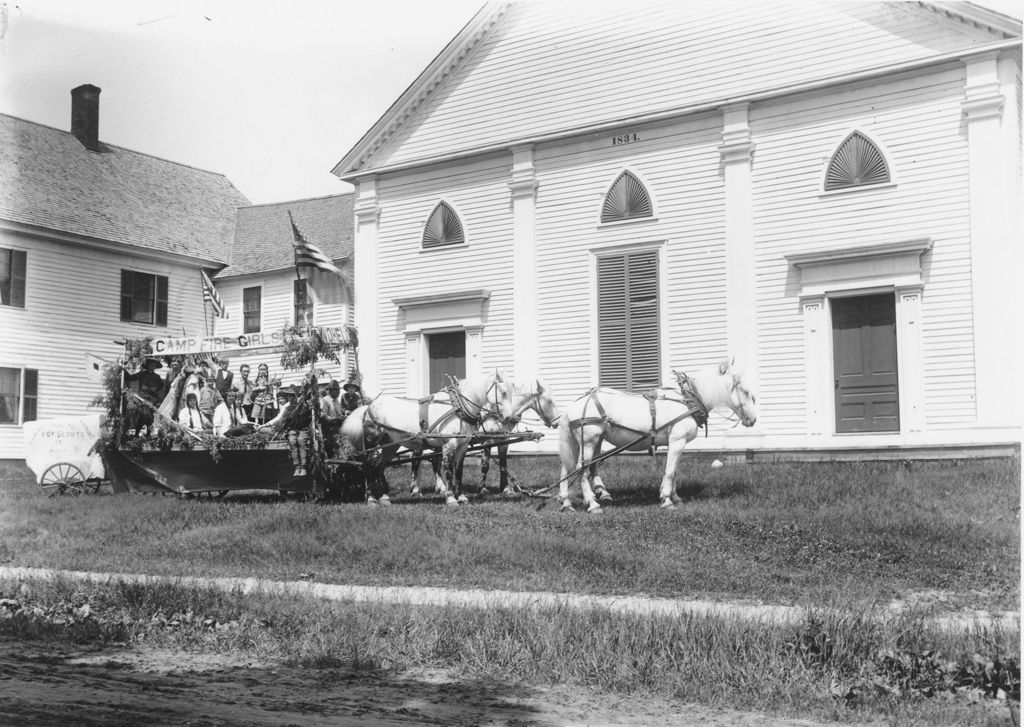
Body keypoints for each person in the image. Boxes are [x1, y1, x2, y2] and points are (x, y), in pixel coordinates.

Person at [261, 387, 311, 477]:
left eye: (292, 396)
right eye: (289, 396)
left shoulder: (303, 406)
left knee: (301, 441)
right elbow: (282, 420)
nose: (291, 398)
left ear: (296, 396)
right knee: (292, 441)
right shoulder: (288, 408)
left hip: (302, 430)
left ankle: (303, 466)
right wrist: (281, 427)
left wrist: (302, 411)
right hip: (292, 430)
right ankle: (297, 466)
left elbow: (306, 419)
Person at [319, 379, 345, 456]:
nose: (338, 392)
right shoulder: (324, 400)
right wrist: (336, 419)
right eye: (336, 390)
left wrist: (344, 415)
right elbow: (323, 416)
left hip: (338, 425)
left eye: (338, 390)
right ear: (330, 391)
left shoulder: (336, 400)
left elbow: (340, 412)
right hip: (329, 428)